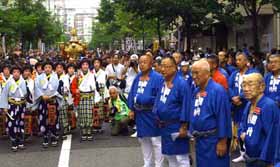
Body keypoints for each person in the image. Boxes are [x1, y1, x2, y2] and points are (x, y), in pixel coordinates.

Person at [190, 60, 232, 167]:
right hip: (200, 141)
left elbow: (223, 118)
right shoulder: (196, 91)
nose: (194, 76)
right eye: (192, 73)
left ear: (207, 73)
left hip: (213, 141)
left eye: (197, 73)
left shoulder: (218, 91)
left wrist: (222, 142)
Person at [153, 56, 191, 167]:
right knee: (170, 156)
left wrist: (184, 126)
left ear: (174, 68)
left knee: (181, 157)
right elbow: (158, 101)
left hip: (177, 125)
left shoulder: (181, 84)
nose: (163, 69)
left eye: (166, 67)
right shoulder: (163, 83)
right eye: (161, 66)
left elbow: (186, 106)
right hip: (164, 126)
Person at [128, 54, 164, 167]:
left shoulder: (158, 78)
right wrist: (131, 109)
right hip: (140, 114)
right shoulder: (137, 77)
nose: (141, 64)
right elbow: (132, 93)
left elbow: (160, 96)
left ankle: (159, 164)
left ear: (151, 63)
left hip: (152, 113)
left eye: (144, 62)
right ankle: (147, 162)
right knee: (143, 139)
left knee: (156, 140)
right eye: (140, 62)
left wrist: (145, 99)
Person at [239, 73, 279, 167]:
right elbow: (242, 126)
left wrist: (271, 162)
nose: (245, 89)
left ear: (261, 87)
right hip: (250, 157)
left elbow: (274, 137)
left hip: (263, 160)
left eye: (250, 84)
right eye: (244, 85)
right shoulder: (249, 104)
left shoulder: (268, 106)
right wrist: (243, 135)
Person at [229, 52, 258, 162]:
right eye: (236, 60)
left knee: (249, 128)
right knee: (239, 128)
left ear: (246, 61)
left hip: (248, 105)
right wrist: (233, 97)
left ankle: (250, 152)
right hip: (236, 107)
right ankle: (242, 152)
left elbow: (254, 87)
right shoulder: (234, 74)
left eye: (240, 60)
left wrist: (240, 97)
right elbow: (229, 86)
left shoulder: (253, 72)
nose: (237, 62)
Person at [0, 65, 29, 151]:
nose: (16, 74)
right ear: (12, 73)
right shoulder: (9, 82)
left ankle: (20, 141)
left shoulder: (23, 82)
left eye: (18, 72)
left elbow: (27, 95)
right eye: (14, 72)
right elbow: (4, 95)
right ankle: (13, 141)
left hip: (21, 105)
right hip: (12, 105)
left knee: (21, 123)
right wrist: (4, 107)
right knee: (12, 123)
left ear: (20, 73)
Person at [34, 61, 62, 148]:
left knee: (53, 118)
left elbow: (58, 89)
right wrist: (42, 95)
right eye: (46, 67)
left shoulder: (55, 77)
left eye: (49, 67)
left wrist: (52, 95)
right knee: (43, 119)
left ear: (52, 68)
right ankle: (45, 136)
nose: (47, 69)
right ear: (43, 68)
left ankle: (54, 136)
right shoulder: (39, 78)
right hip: (43, 101)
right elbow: (37, 88)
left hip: (53, 101)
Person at [74, 59, 96, 141]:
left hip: (89, 96)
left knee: (89, 114)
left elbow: (94, 86)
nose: (85, 66)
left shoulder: (91, 75)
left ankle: (89, 131)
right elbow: (74, 86)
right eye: (83, 64)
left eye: (86, 64)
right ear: (81, 66)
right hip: (81, 97)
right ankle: (83, 131)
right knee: (82, 114)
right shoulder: (78, 75)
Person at [55, 62, 70, 139]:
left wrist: (64, 93)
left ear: (63, 69)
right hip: (54, 98)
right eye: (57, 67)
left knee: (63, 114)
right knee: (55, 115)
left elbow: (66, 88)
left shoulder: (65, 77)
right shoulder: (53, 77)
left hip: (62, 97)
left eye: (60, 67)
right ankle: (56, 130)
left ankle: (64, 130)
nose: (59, 69)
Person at [92, 58, 108, 131]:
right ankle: (94, 125)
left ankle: (100, 126)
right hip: (93, 92)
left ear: (100, 64)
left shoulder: (104, 73)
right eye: (95, 63)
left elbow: (105, 85)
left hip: (101, 91)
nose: (96, 64)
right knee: (94, 109)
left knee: (100, 109)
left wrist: (106, 95)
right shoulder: (91, 73)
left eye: (98, 62)